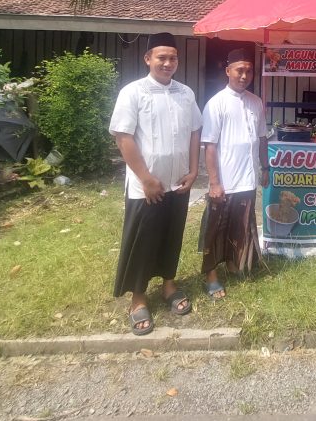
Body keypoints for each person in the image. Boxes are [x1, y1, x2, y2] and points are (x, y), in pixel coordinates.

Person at [109, 32, 202, 335]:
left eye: (173, 58)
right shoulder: (133, 92)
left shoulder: (185, 93)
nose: (167, 63)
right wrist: (146, 179)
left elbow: (195, 131)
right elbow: (123, 137)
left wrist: (193, 169)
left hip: (178, 182)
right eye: (161, 57)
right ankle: (138, 298)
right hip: (146, 186)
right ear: (148, 58)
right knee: (143, 240)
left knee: (172, 235)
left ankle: (169, 285)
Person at [199, 47, 269, 300]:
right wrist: (214, 183)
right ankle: (210, 276)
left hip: (247, 179)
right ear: (228, 71)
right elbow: (210, 145)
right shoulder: (216, 103)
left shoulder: (256, 102)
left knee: (242, 225)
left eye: (249, 71)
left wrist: (265, 167)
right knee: (215, 228)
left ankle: (234, 263)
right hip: (225, 181)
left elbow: (262, 138)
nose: (244, 75)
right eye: (239, 70)